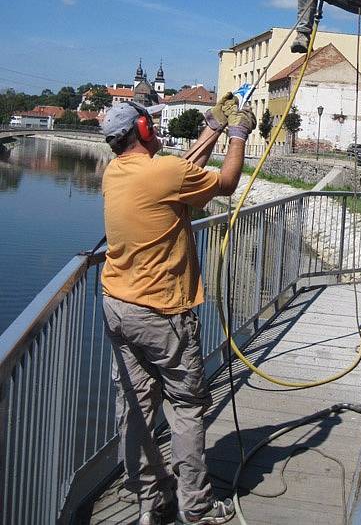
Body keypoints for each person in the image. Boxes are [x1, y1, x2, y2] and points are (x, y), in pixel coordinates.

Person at [100, 96, 256, 525]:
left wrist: (214, 126)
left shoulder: (114, 172)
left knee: (136, 407)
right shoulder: (164, 172)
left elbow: (179, 171)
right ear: (145, 131)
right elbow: (223, 182)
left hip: (118, 308)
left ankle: (150, 502)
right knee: (186, 409)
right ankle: (197, 508)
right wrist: (238, 134)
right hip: (164, 312)